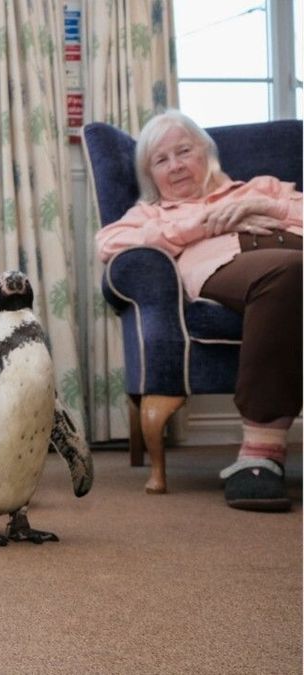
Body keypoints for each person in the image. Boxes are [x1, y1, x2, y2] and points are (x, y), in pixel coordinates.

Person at [96, 109, 302, 512]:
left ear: (206, 153)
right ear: (150, 175)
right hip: (239, 266)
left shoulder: (262, 188)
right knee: (288, 275)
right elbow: (109, 244)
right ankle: (260, 453)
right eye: (161, 159)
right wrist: (205, 224)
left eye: (184, 151)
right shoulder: (152, 214)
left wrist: (268, 208)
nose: (175, 165)